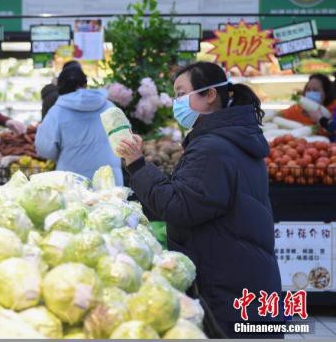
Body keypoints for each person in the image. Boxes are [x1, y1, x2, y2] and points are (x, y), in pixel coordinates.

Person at [117, 62, 283, 338]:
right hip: (242, 272)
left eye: (182, 93)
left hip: (225, 283)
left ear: (210, 95)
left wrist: (137, 165)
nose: (176, 101)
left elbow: (180, 207)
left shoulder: (212, 148)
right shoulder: (235, 137)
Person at [35, 65, 123, 184]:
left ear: (60, 88)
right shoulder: (109, 106)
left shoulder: (57, 112)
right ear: (85, 84)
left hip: (73, 184)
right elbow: (124, 139)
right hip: (110, 181)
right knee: (110, 203)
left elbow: (44, 148)